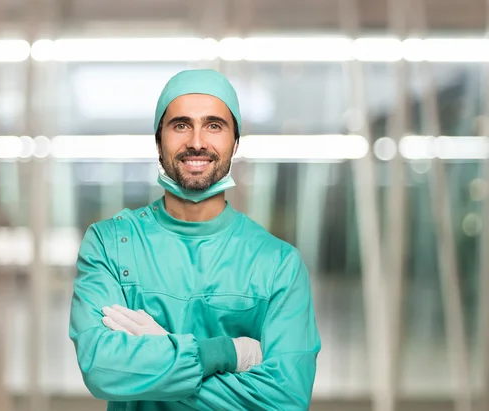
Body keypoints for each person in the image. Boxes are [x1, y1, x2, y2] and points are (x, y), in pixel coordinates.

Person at [69, 69, 321, 410]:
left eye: (214, 125)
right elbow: (103, 368)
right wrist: (224, 353)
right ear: (159, 141)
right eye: (181, 125)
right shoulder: (111, 244)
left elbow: (285, 400)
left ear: (235, 141)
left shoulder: (277, 263)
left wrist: (160, 366)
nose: (197, 142)